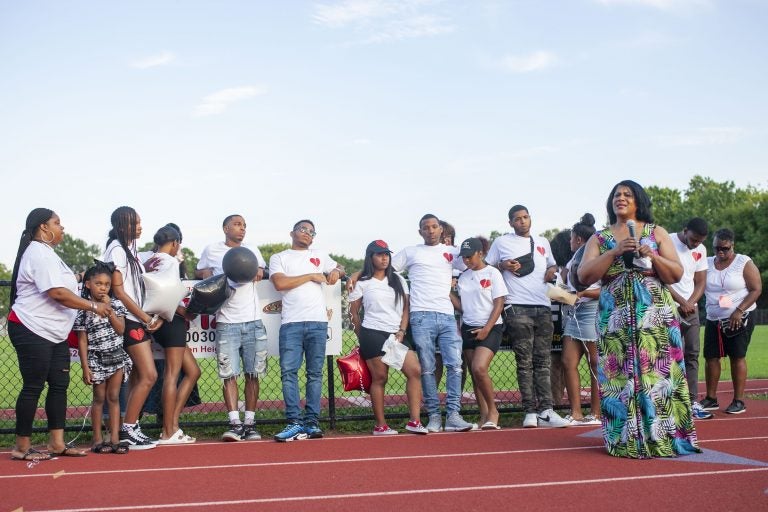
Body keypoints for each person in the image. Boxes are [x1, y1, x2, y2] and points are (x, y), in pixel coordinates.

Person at [578, 180, 700, 458]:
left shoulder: (655, 232)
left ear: (638, 201)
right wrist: (614, 252)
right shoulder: (599, 238)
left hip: (653, 313)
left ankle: (664, 435)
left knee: (658, 373)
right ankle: (625, 438)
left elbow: (675, 274)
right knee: (618, 374)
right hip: (615, 314)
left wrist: (653, 255)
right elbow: (585, 276)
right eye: (616, 195)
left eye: (627, 194)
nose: (620, 198)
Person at [9, 208, 111, 461]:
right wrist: (94, 306)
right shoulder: (37, 253)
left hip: (54, 332)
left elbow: (63, 285)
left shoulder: (49, 254)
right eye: (57, 222)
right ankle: (21, 446)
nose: (62, 227)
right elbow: (57, 293)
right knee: (33, 386)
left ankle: (57, 443)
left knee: (59, 386)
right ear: (43, 228)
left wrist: (81, 276)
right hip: (32, 327)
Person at [387, 214, 476, 433]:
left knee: (455, 365)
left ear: (441, 230)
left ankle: (454, 415)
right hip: (420, 316)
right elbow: (386, 269)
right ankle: (434, 416)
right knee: (427, 368)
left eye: (434, 227)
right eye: (426, 228)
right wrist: (359, 274)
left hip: (447, 316)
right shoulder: (411, 251)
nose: (431, 231)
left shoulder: (452, 253)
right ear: (420, 232)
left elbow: (474, 264)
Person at [486, 205, 570, 428]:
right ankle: (529, 411)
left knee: (543, 361)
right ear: (510, 223)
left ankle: (547, 410)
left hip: (542, 306)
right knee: (524, 362)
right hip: (516, 306)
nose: (522, 221)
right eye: (517, 219)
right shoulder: (501, 242)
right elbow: (486, 266)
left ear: (530, 219)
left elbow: (552, 264)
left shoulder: (542, 242)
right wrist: (502, 264)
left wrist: (552, 270)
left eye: (525, 217)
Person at [269, 220, 345, 441]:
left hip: (317, 323)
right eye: (303, 229)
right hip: (291, 323)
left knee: (314, 374)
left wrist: (337, 273)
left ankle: (311, 422)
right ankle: (294, 421)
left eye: (312, 232)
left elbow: (339, 267)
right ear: (292, 232)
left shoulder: (320, 255)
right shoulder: (280, 257)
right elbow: (279, 283)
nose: (307, 234)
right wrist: (311, 276)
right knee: (288, 373)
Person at [196, 214, 268, 441]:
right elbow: (199, 272)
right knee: (228, 374)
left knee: (252, 373)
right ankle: (234, 423)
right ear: (225, 227)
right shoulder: (212, 249)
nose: (242, 228)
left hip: (253, 320)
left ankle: (250, 422)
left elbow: (263, 271)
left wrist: (260, 271)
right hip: (227, 321)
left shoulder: (253, 250)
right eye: (237, 224)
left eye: (245, 225)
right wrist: (204, 273)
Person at [349, 240, 428, 435]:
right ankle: (380, 425)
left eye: (386, 254)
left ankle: (414, 421)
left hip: (396, 334)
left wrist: (401, 331)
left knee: (414, 370)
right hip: (373, 333)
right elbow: (354, 312)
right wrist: (361, 334)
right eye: (379, 254)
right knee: (380, 377)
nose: (384, 257)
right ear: (371, 257)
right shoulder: (363, 282)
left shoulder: (398, 280)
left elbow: (406, 308)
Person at [103, 206, 160, 450]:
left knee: (138, 375)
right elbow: (118, 291)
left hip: (136, 317)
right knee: (149, 375)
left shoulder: (130, 250)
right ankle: (128, 430)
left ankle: (132, 426)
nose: (140, 226)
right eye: (135, 223)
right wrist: (145, 318)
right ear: (122, 225)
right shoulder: (116, 250)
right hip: (129, 319)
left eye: (140, 221)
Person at [148, 225, 201, 444]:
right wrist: (184, 312)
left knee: (193, 371)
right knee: (171, 375)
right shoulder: (170, 262)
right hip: (172, 321)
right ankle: (168, 431)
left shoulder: (151, 260)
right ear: (176, 243)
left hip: (164, 322)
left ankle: (172, 423)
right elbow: (166, 295)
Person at [701, 228, 762, 415]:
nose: (720, 252)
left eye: (725, 249)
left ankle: (739, 401)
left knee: (737, 356)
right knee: (711, 357)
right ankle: (711, 399)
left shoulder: (743, 262)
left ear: (732, 246)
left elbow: (756, 289)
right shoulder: (707, 262)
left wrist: (739, 310)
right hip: (713, 317)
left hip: (739, 317)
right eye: (717, 248)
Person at [75, 261, 132, 454]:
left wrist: (109, 310)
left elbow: (121, 329)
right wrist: (85, 367)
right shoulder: (83, 308)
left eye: (106, 285)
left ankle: (115, 439)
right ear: (89, 284)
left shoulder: (116, 304)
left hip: (116, 358)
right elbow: (82, 340)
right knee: (99, 398)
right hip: (96, 359)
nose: (103, 287)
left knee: (114, 397)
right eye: (98, 283)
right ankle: (98, 439)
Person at [451, 237, 506, 429]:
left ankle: (493, 411)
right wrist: (448, 292)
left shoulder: (493, 273)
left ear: (480, 253)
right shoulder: (464, 277)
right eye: (463, 257)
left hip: (490, 327)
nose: (466, 260)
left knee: (479, 368)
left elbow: (499, 303)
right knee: (475, 375)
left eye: (469, 256)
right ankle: (483, 414)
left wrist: (487, 329)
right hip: (468, 327)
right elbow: (462, 307)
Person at [668, 217, 713, 420]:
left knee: (692, 354)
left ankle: (692, 401)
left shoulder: (701, 250)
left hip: (690, 308)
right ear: (685, 230)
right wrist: (680, 301)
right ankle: (671, 401)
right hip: (669, 306)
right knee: (670, 356)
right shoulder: (667, 242)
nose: (696, 244)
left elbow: (701, 281)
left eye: (700, 241)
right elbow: (660, 277)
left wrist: (690, 302)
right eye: (693, 239)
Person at [560, 214, 601, 426]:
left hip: (591, 311)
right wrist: (561, 292)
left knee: (595, 363)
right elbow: (566, 283)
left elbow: (606, 290)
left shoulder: (597, 256)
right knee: (568, 361)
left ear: (577, 239)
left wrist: (583, 295)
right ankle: (575, 412)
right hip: (573, 313)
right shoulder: (573, 258)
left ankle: (596, 413)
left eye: (571, 238)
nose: (569, 242)